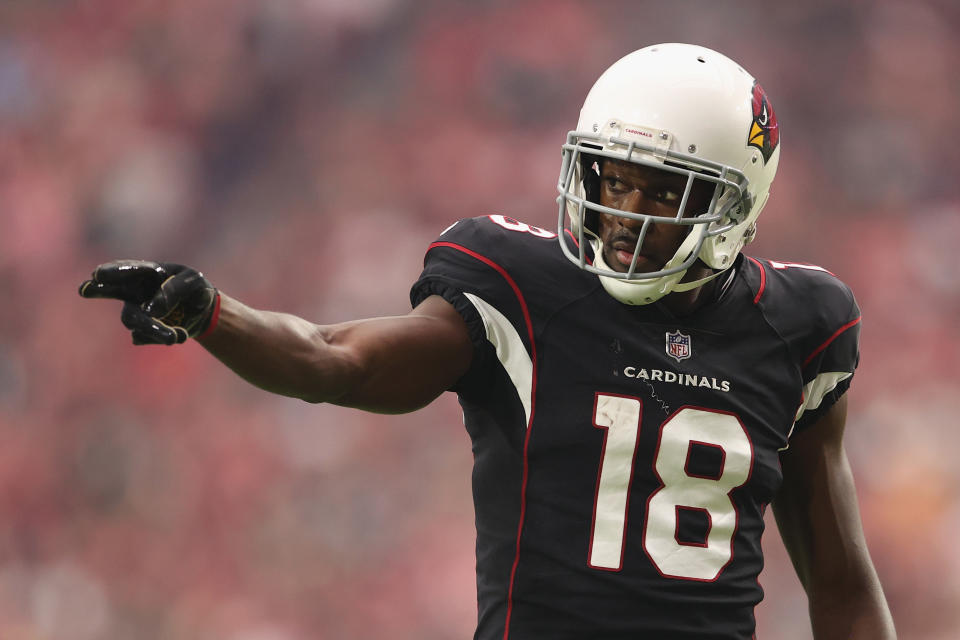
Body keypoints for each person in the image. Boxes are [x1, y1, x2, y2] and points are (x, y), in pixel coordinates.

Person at [80, 43, 896, 640]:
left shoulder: (801, 326)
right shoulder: (524, 287)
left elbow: (842, 581)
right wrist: (214, 313)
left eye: (661, 189)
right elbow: (338, 359)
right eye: (613, 180)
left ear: (736, 204)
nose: (625, 214)